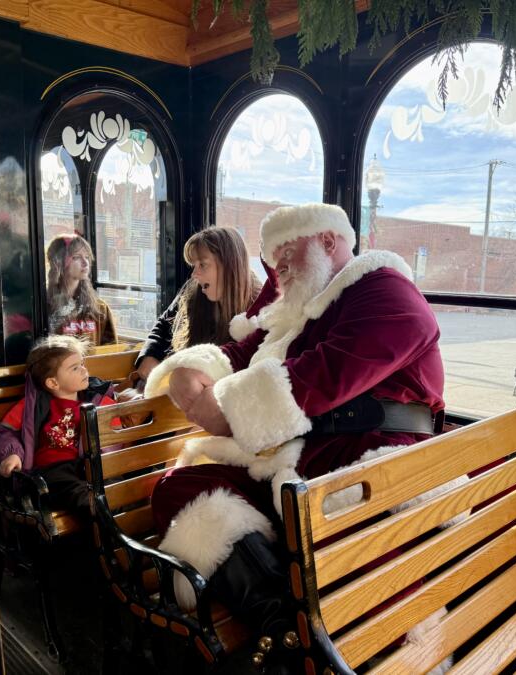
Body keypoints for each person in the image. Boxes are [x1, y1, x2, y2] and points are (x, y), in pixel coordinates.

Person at [143, 203, 445, 668]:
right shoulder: (297, 308)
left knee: (368, 577)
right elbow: (242, 351)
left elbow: (326, 371)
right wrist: (192, 369)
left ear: (327, 241)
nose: (277, 267)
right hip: (298, 460)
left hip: (368, 457)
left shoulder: (382, 286)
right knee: (178, 489)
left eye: (286, 253)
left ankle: (349, 645)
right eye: (272, 258)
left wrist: (229, 411)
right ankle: (286, 624)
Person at [0, 335, 116, 515]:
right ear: (53, 382)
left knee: (112, 485)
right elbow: (7, 432)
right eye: (75, 368)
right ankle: (99, 514)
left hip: (88, 465)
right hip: (51, 469)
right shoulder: (31, 406)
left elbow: (115, 433)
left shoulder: (98, 400)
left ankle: (111, 515)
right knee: (77, 493)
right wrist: (12, 454)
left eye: (82, 364)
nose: (84, 370)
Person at [135, 227, 262, 383]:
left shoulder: (260, 308)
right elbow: (165, 323)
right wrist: (149, 355)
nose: (194, 274)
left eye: (203, 265)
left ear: (229, 265)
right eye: (194, 265)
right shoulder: (193, 290)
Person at [46, 234, 117, 345]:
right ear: (58, 262)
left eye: (87, 257)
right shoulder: (44, 307)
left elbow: (110, 349)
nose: (85, 263)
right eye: (76, 257)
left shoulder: (100, 309)